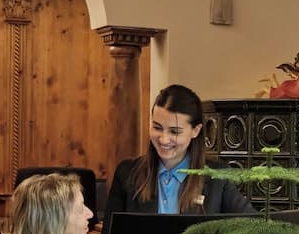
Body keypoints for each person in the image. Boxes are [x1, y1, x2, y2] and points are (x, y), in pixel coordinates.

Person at [106, 84, 254, 215]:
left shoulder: (218, 178)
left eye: (174, 131)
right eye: (157, 127)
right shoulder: (126, 174)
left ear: (195, 131)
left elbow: (254, 227)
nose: (163, 139)